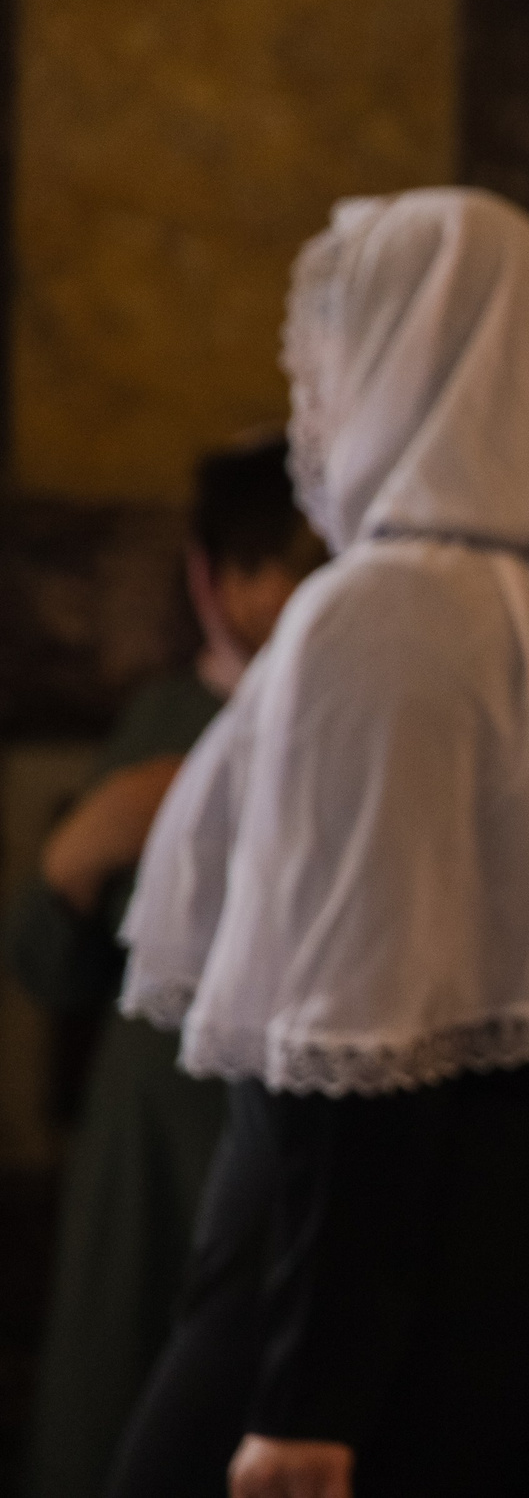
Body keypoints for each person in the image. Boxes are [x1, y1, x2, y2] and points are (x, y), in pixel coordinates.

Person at [107, 187, 529, 1498]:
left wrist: (311, 1390)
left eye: (330, 366)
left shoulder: (383, 611)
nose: (316, 409)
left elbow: (364, 1020)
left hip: (416, 1256)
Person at [10, 433, 323, 1498]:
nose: (285, 591)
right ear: (215, 582)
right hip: (154, 1140)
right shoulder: (168, 721)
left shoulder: (343, 721)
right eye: (267, 565)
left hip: (279, 1140)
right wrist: (75, 857)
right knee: (128, 1401)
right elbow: (53, 965)